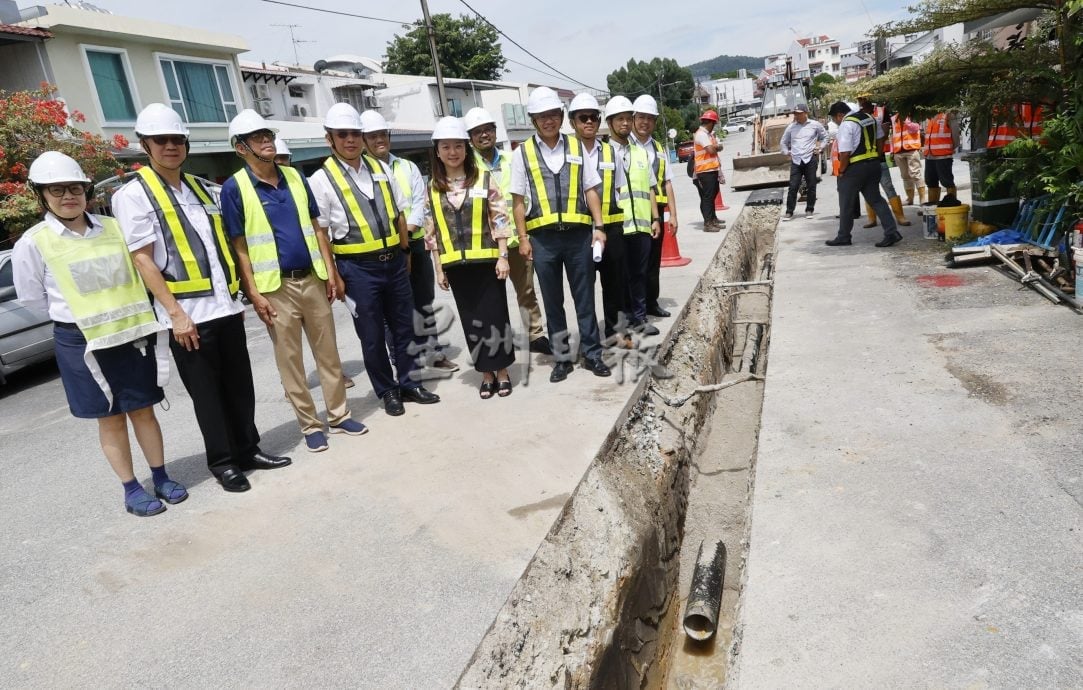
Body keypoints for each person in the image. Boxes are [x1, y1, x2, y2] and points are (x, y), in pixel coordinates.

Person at [113, 103, 291, 493]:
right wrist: (175, 314)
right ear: (146, 145)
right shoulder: (134, 195)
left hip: (224, 308)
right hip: (188, 315)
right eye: (162, 141)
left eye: (178, 140)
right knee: (208, 396)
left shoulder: (198, 186)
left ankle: (248, 449)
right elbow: (144, 260)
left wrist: (241, 296)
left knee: (240, 387)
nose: (171, 147)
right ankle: (223, 462)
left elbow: (221, 245)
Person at [13, 151, 183, 516]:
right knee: (110, 419)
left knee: (143, 412)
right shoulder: (33, 241)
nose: (67, 195)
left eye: (75, 187)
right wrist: (78, 319)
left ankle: (161, 476)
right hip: (82, 342)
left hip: (129, 335)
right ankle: (132, 488)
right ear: (40, 195)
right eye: (56, 190)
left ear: (87, 190)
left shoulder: (113, 229)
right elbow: (32, 298)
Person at [221, 108, 367, 452]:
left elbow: (317, 228)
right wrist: (253, 292)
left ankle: (339, 414)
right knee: (291, 360)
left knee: (328, 353)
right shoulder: (235, 188)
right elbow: (239, 245)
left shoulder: (296, 178)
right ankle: (310, 425)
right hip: (275, 288)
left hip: (313, 280)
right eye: (257, 138)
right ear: (241, 148)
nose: (267, 142)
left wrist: (330, 272)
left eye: (268, 135)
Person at [307, 103, 441, 415]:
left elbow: (398, 215)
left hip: (394, 261)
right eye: (343, 135)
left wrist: (405, 251)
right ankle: (387, 390)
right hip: (357, 269)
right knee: (372, 335)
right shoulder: (320, 180)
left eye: (355, 134)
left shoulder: (381, 170)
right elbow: (321, 233)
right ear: (330, 139)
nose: (350, 140)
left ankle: (409, 382)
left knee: (404, 326)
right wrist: (333, 276)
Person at [510, 86, 610, 383]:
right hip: (543, 239)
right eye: (542, 116)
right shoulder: (523, 153)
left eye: (553, 114)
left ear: (561, 116)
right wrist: (524, 238)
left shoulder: (578, 147)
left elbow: (591, 188)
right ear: (533, 120)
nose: (549, 120)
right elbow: (517, 200)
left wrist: (600, 227)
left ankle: (592, 354)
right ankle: (562, 359)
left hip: (579, 236)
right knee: (552, 301)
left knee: (585, 298)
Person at [358, 109, 458, 375]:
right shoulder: (362, 171)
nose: (380, 139)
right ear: (364, 140)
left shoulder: (406, 167)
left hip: (413, 243)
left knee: (423, 301)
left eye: (383, 134)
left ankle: (434, 353)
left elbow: (418, 203)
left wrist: (407, 230)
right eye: (373, 136)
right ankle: (402, 361)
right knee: (393, 310)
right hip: (388, 249)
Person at [424, 117, 515, 398]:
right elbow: (432, 232)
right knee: (472, 320)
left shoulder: (485, 179)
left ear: (466, 149)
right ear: (437, 152)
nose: (453, 152)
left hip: (487, 262)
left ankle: (502, 371)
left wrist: (503, 257)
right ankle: (486, 373)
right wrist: (439, 268)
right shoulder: (433, 188)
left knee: (495, 317)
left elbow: (500, 219)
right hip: (456, 266)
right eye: (446, 147)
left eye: (458, 146)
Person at [464, 107, 552, 356]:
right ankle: (501, 336)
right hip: (487, 242)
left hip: (515, 238)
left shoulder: (511, 159)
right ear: (470, 137)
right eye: (477, 132)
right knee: (492, 295)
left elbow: (526, 194)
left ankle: (535, 334)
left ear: (494, 132)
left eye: (488, 130)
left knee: (526, 289)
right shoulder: (468, 165)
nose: (484, 135)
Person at [569, 92, 630, 343]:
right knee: (584, 289)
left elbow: (617, 188)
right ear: (572, 121)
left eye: (593, 117)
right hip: (581, 229)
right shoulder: (567, 152)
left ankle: (616, 332)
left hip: (610, 226)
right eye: (583, 118)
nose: (589, 122)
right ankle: (590, 338)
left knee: (614, 282)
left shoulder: (609, 153)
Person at [606, 95, 661, 336]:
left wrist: (656, 218)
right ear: (610, 122)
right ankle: (623, 320)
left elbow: (650, 188)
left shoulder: (640, 152)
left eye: (629, 118)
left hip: (641, 225)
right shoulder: (603, 153)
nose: (626, 123)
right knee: (618, 278)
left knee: (639, 274)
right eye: (620, 119)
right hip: (617, 227)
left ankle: (639, 318)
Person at [824, 101, 901, 248]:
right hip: (873, 165)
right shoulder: (870, 118)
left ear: (840, 115)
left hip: (855, 168)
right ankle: (892, 232)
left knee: (846, 203)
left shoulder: (846, 124)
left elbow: (845, 152)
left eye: (835, 119)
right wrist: (877, 157)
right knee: (876, 200)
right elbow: (880, 139)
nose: (836, 122)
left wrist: (841, 171)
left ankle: (844, 236)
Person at [631, 94, 676, 319]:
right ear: (633, 118)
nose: (645, 122)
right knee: (635, 264)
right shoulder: (624, 146)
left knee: (652, 263)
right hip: (633, 212)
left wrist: (673, 216)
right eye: (641, 117)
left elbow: (667, 182)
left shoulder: (658, 147)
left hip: (657, 212)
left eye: (650, 118)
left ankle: (651, 303)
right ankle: (635, 308)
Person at [857, 98, 911, 229]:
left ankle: (900, 216)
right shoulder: (857, 115)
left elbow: (885, 132)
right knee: (869, 190)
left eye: (864, 99)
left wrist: (879, 151)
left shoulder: (881, 111)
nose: (862, 101)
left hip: (878, 157)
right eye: (860, 99)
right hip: (865, 159)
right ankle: (871, 218)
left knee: (888, 186)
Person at [780, 104, 826, 221]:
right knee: (793, 186)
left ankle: (809, 209)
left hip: (810, 159)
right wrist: (786, 152)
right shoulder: (791, 127)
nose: (796, 115)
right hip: (796, 160)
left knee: (811, 185)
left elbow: (824, 137)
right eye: (795, 113)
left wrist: (820, 148)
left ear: (806, 113)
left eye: (799, 113)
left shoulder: (815, 125)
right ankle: (789, 211)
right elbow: (783, 142)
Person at [692, 110, 726, 230]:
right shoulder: (701, 134)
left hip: (711, 170)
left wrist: (716, 147)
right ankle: (708, 223)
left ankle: (713, 219)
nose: (714, 126)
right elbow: (711, 150)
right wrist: (717, 147)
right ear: (710, 123)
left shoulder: (708, 135)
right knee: (707, 197)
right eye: (714, 124)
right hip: (705, 172)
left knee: (711, 196)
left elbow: (715, 147)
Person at [923, 111, 960, 207]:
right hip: (929, 155)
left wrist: (950, 148)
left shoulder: (948, 115)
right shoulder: (929, 116)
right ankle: (932, 207)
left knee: (946, 181)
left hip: (943, 156)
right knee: (930, 181)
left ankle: (952, 206)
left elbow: (956, 135)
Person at [890, 113, 925, 205]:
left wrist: (906, 121)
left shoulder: (913, 115)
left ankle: (922, 199)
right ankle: (910, 199)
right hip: (898, 151)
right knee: (905, 176)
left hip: (911, 149)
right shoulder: (894, 118)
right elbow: (893, 135)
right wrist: (892, 150)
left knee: (915, 174)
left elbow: (915, 129)